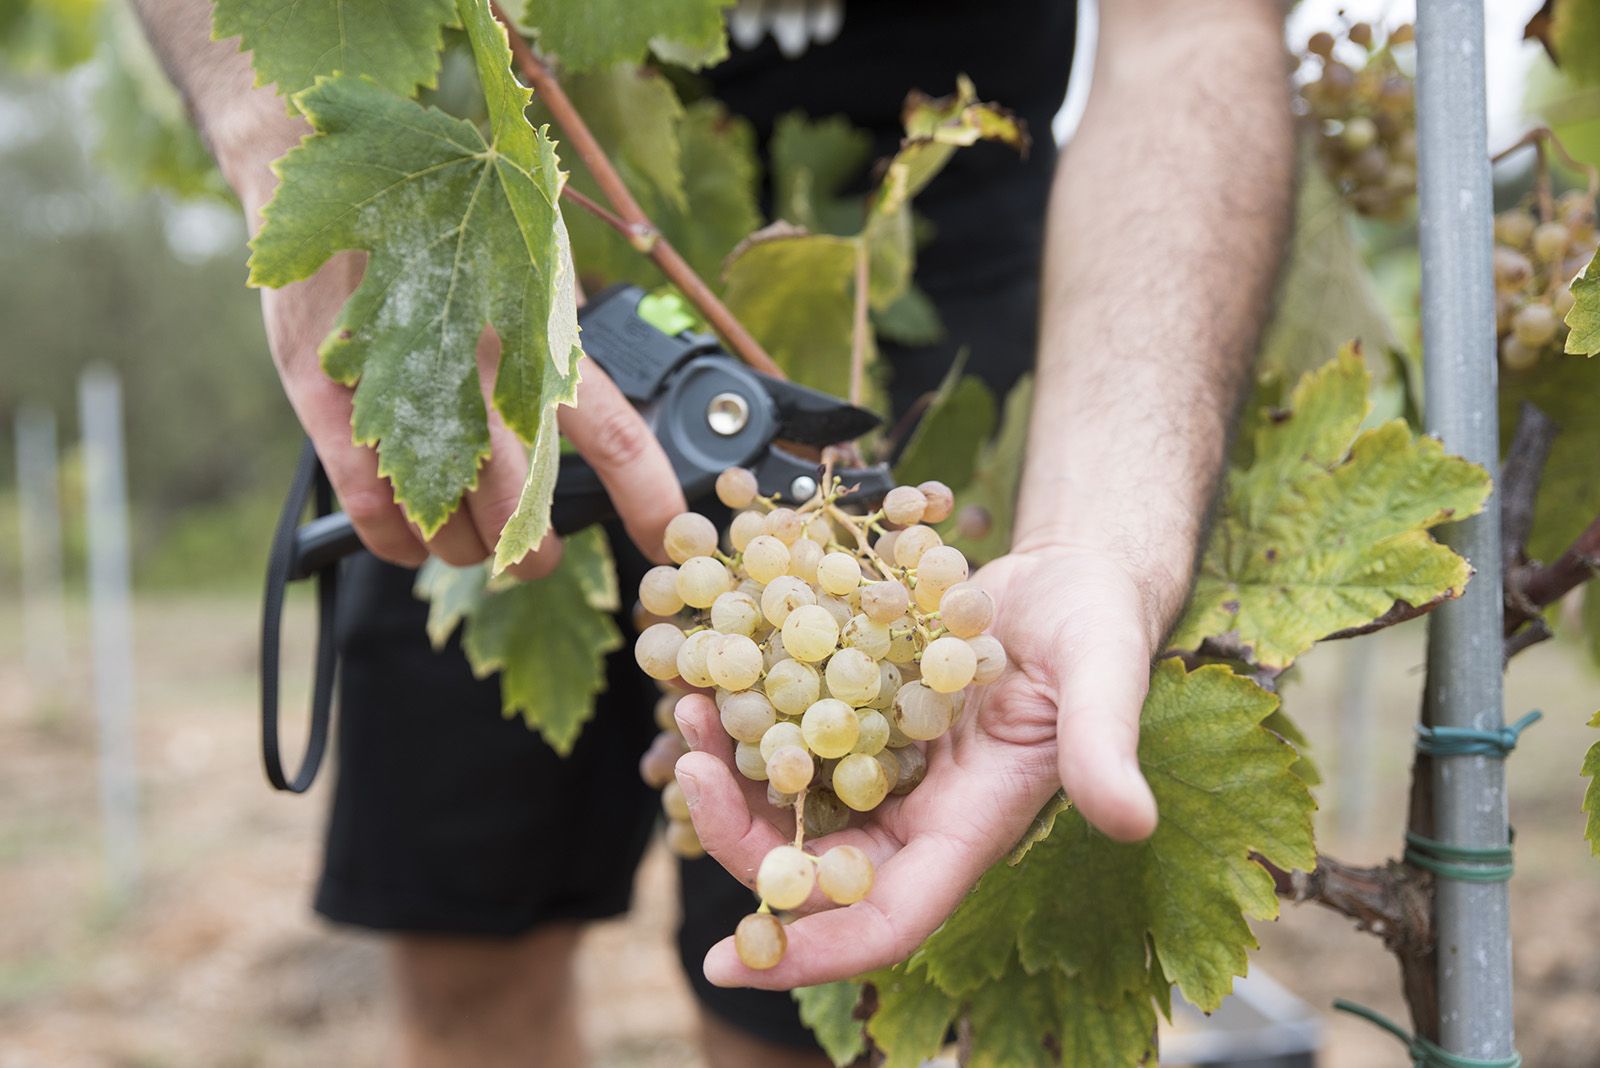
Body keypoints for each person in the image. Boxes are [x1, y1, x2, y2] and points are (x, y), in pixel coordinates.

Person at [132, 0, 1292, 1063]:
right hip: (475, 276)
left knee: (794, 1007)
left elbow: (1188, 36)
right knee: (465, 927)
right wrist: (286, 143)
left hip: (934, 276)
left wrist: (1100, 538)